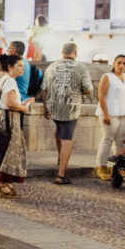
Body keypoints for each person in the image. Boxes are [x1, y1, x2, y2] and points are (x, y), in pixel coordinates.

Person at [40, 42, 93, 185]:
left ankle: (60, 158)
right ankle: (61, 174)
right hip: (70, 108)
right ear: (75, 53)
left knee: (59, 131)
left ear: (62, 52)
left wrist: (45, 107)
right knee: (67, 138)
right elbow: (88, 89)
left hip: (53, 106)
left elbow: (44, 89)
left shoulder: (51, 67)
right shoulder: (81, 67)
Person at [0, 54, 34, 197]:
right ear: (10, 67)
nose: (22, 69)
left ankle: (5, 183)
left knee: (4, 150)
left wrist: (22, 104)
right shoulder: (10, 82)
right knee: (10, 151)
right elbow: (9, 103)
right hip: (8, 120)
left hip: (4, 117)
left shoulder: (5, 80)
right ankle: (2, 184)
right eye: (19, 66)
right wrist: (24, 108)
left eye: (23, 66)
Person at [96, 55, 125, 180]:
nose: (121, 65)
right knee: (107, 139)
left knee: (121, 141)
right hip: (110, 112)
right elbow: (101, 95)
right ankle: (101, 167)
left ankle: (118, 167)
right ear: (113, 63)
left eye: (124, 63)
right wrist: (105, 114)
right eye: (119, 63)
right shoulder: (107, 77)